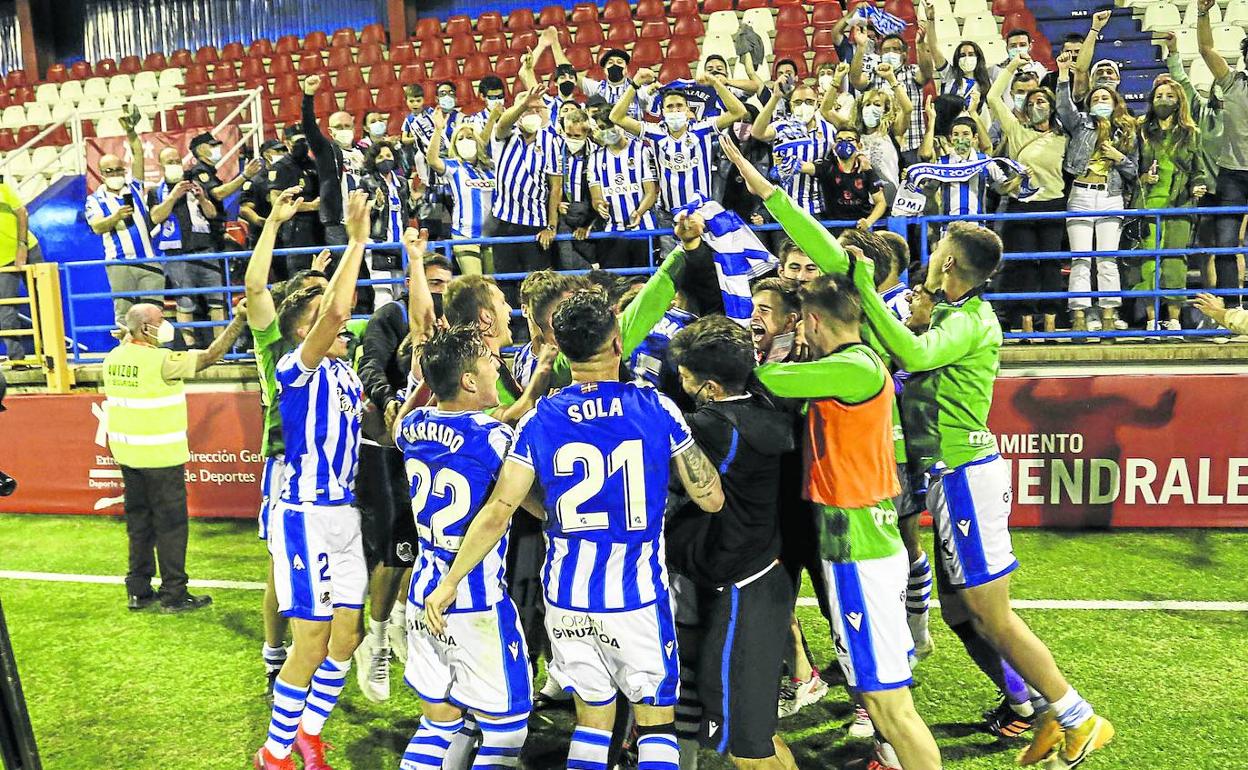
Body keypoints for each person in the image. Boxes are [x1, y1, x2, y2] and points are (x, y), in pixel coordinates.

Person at [423, 289, 724, 770]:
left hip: (566, 597)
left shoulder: (540, 418)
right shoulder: (656, 408)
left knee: (590, 723)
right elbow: (711, 497)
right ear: (618, 343)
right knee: (655, 723)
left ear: (560, 350)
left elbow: (503, 505)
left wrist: (450, 581)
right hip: (636, 598)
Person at [253, 191, 372, 770]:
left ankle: (309, 733)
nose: (340, 319)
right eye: (325, 313)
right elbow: (337, 313)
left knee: (346, 640)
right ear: (309, 326)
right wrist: (355, 242)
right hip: (303, 514)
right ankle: (273, 753)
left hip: (345, 515)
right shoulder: (293, 367)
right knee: (312, 642)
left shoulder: (346, 376)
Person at [392, 324, 533, 770]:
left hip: (422, 595)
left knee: (438, 723)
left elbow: (407, 420)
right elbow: (519, 507)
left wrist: (429, 374)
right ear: (469, 380)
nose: (498, 369)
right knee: (508, 729)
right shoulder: (495, 439)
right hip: (472, 599)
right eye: (491, 363)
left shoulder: (412, 427)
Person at [665, 315, 798, 770]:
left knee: (747, 750)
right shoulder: (766, 409)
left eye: (686, 379)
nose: (680, 387)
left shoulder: (714, 427)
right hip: (758, 582)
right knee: (757, 736)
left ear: (712, 389)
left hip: (745, 593)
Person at [243, 189, 331, 703]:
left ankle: (316, 649)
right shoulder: (274, 339)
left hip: (328, 469)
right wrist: (273, 223)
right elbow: (256, 283)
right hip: (286, 462)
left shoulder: (340, 341)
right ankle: (279, 654)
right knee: (283, 561)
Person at [102, 301, 246, 614]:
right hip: (161, 458)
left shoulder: (113, 357)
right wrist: (239, 320)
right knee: (171, 527)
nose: (166, 324)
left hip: (129, 457)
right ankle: (174, 593)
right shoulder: (161, 360)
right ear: (145, 328)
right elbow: (210, 356)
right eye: (161, 319)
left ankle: (138, 590)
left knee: (139, 524)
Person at [352, 228, 435, 704]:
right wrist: (387, 401)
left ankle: (402, 624)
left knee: (425, 545)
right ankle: (377, 638)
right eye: (431, 282)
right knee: (396, 548)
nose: (437, 294)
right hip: (388, 445)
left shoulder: (448, 326)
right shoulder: (391, 315)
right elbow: (372, 366)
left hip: (429, 447)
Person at [610, 72, 747, 252]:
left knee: (706, 264)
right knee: (672, 269)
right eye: (670, 107)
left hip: (701, 214)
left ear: (687, 109)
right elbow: (616, 117)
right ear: (662, 111)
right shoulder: (654, 132)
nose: (675, 110)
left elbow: (739, 111)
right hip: (668, 216)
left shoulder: (703, 128)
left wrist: (715, 83)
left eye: (679, 106)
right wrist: (635, 84)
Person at [1055, 52, 1138, 335]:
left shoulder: (1127, 130)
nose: (1100, 102)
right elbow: (1064, 107)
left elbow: (1134, 171)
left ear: (1115, 102)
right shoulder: (1081, 124)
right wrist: (1064, 74)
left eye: (1105, 98)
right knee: (1080, 258)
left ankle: (1108, 315)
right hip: (1080, 194)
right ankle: (1079, 315)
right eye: (1095, 99)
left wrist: (1119, 158)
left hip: (1111, 195)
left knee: (1106, 259)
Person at [987, 55, 1068, 337]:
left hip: (1053, 205)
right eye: (1030, 103)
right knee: (1023, 264)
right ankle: (1024, 321)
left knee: (1050, 264)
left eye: (1041, 102)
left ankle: (1051, 321)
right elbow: (993, 97)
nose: (1035, 107)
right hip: (1022, 205)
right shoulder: (1017, 131)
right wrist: (1010, 67)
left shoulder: (1063, 136)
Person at [1134, 81, 1208, 337]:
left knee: (1175, 262)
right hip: (1147, 203)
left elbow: (1198, 171)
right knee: (1147, 262)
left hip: (1180, 206)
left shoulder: (1191, 132)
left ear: (1179, 101)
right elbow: (1131, 167)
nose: (1163, 100)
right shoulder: (1141, 129)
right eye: (1159, 95)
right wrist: (1143, 178)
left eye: (1169, 96)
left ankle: (1174, 320)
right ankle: (1152, 320)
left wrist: (1198, 186)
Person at [86, 111, 162, 328]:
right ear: (101, 174)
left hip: (148, 259)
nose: (115, 174)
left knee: (154, 311)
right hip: (119, 262)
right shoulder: (95, 199)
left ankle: (154, 353)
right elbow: (97, 227)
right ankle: (126, 352)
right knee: (124, 312)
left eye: (119, 169)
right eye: (109, 171)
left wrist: (130, 131)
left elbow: (138, 154)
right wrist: (116, 216)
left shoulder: (135, 187)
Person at [1197, 0, 1248, 310]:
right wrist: (1202, 13)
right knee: (1226, 245)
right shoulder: (1232, 83)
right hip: (1232, 176)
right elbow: (1205, 50)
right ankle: (1229, 312)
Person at [489, 84, 563, 290]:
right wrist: (523, 105)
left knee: (537, 288)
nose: (533, 112)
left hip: (535, 225)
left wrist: (551, 226)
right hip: (504, 223)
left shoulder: (550, 141)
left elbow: (555, 187)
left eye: (538, 109)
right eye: (529, 108)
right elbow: (502, 123)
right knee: (506, 284)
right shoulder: (505, 135)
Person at [148, 145, 222, 347]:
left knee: (217, 300)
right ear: (161, 166)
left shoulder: (195, 184)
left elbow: (212, 214)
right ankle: (188, 346)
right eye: (169, 162)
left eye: (176, 161)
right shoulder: (156, 191)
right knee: (185, 303)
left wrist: (202, 198)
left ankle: (221, 346)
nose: (174, 165)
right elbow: (155, 217)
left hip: (205, 250)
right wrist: (173, 197)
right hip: (176, 254)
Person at [427, 109, 495, 276]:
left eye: (470, 137)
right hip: (465, 236)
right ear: (454, 144)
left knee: (493, 286)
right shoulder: (453, 166)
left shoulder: (491, 168)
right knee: (476, 285)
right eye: (461, 138)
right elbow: (432, 160)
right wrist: (438, 130)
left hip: (492, 237)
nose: (466, 141)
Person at [755, 81, 836, 218]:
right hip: (786, 208)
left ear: (817, 103)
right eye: (798, 102)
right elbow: (757, 132)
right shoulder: (782, 127)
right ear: (790, 106)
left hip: (818, 209)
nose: (804, 106)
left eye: (809, 101)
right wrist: (775, 98)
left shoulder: (829, 130)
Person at [301, 74, 365, 247]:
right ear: (330, 131)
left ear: (353, 128)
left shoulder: (365, 153)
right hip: (337, 223)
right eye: (338, 127)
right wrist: (308, 95)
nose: (344, 130)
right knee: (342, 268)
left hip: (365, 220)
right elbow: (308, 127)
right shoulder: (326, 151)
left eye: (347, 126)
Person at [588, 115, 660, 268]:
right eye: (602, 127)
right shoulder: (595, 158)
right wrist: (599, 205)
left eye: (610, 125)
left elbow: (651, 192)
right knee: (617, 284)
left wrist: (639, 212)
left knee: (644, 281)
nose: (607, 131)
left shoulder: (642, 150)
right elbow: (596, 197)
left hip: (643, 229)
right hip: (612, 232)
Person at [357, 140, 418, 308]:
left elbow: (409, 211)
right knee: (383, 294)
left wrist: (417, 199)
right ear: (373, 160)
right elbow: (361, 213)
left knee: (401, 293)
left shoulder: (402, 182)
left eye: (389, 155)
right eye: (380, 157)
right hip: (378, 243)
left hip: (401, 245)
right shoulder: (367, 182)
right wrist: (376, 204)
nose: (385, 160)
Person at [186, 131, 262, 252]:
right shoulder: (200, 171)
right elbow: (218, 193)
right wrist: (244, 176)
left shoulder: (210, 172)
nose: (217, 149)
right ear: (200, 149)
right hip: (207, 235)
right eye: (212, 146)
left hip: (216, 232)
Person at [808, 127, 888, 231]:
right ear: (834, 146)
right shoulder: (827, 167)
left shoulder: (867, 170)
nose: (844, 143)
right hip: (833, 228)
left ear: (859, 146)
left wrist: (868, 222)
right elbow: (807, 167)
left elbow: (881, 202)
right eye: (840, 140)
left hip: (859, 228)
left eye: (849, 140)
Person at [269, 125, 324, 259]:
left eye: (305, 141)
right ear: (287, 143)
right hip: (296, 226)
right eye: (299, 141)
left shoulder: (314, 165)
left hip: (318, 224)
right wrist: (310, 206)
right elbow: (276, 201)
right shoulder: (281, 167)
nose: (303, 145)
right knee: (300, 268)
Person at [553, 107, 597, 271]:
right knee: (566, 261)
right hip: (562, 216)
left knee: (590, 259)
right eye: (568, 135)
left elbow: (600, 193)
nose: (572, 140)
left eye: (577, 136)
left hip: (587, 214)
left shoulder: (596, 154)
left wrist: (588, 225)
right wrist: (556, 203)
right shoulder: (554, 151)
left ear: (587, 134)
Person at [0, 180, 39, 362]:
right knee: (6, 308)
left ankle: (52, 353)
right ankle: (17, 359)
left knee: (44, 301)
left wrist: (21, 245)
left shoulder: (1, 188)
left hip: (27, 248)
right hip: (2, 261)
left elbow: (22, 212)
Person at [239, 139, 290, 250]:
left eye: (285, 151)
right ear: (267, 154)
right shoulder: (256, 181)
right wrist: (263, 222)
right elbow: (245, 209)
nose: (283, 154)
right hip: (264, 236)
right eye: (278, 151)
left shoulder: (290, 175)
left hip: (289, 234)